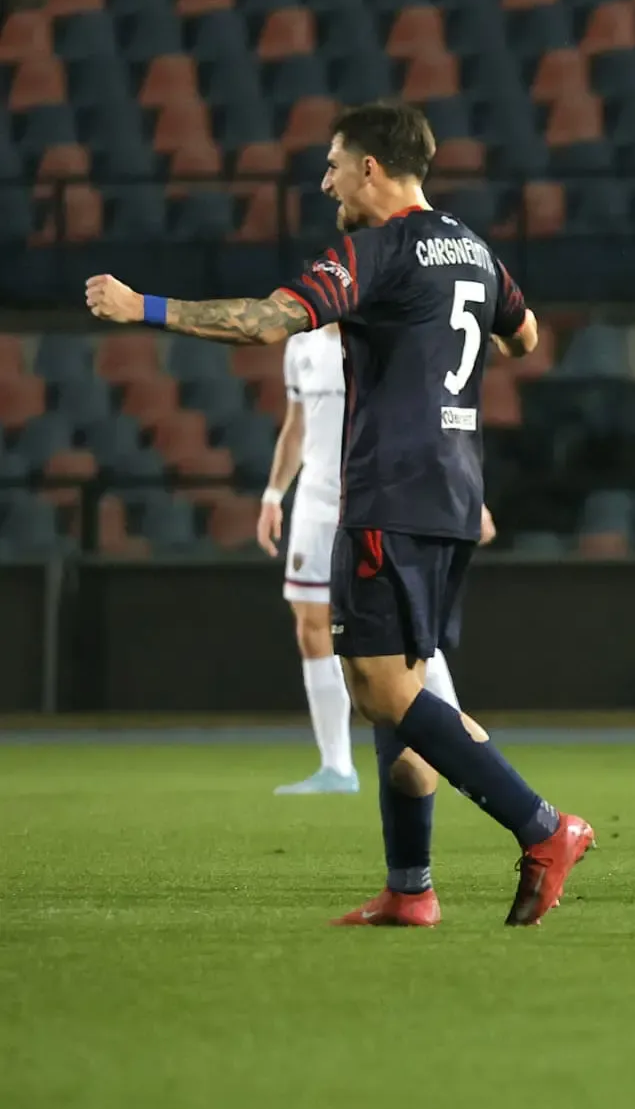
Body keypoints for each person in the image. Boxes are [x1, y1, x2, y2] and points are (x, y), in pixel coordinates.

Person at [87, 101, 594, 927]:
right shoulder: (473, 247)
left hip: (389, 490)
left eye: (331, 165)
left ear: (369, 167)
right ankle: (410, 887)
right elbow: (526, 336)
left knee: (379, 688)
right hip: (452, 491)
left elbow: (268, 322)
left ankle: (543, 825)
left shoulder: (378, 251)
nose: (324, 183)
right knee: (401, 688)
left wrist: (143, 306)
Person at [256, 323, 495, 796]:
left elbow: (431, 417)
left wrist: (467, 495)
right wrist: (272, 494)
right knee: (310, 625)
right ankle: (336, 766)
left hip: (377, 498)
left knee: (408, 631)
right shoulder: (301, 344)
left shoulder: (384, 336)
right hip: (316, 501)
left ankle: (464, 751)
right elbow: (296, 425)